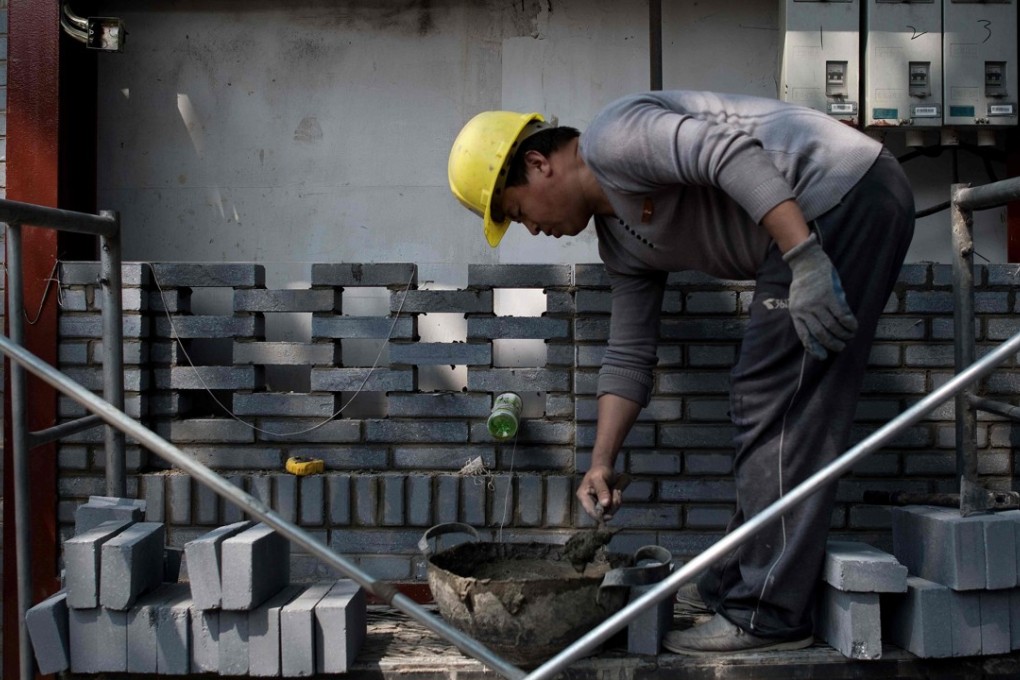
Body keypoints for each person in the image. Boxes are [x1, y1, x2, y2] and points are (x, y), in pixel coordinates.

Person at [447, 91, 914, 655]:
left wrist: (803, 257)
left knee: (772, 397)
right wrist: (600, 463)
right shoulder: (620, 240)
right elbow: (629, 351)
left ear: (538, 163)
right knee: (778, 398)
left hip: (838, 194)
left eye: (519, 212)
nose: (532, 228)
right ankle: (738, 584)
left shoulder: (612, 138)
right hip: (815, 223)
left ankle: (765, 614)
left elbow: (729, 154)